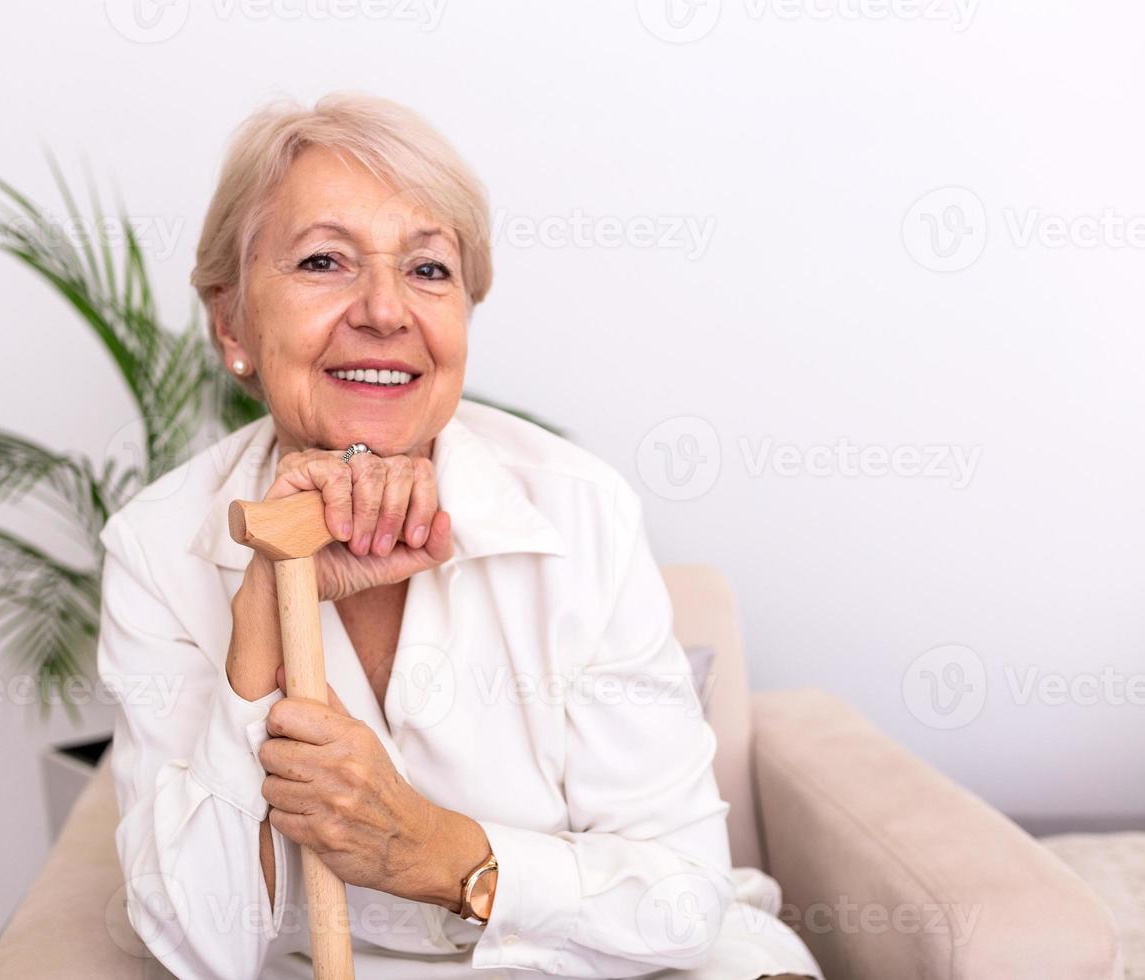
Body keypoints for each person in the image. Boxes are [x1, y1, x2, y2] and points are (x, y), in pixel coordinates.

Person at [97, 91, 822, 980]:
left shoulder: (579, 511)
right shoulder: (156, 546)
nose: (385, 310)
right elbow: (197, 943)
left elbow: (678, 902)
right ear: (231, 323)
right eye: (324, 259)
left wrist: (433, 851)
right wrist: (260, 616)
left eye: (429, 270)